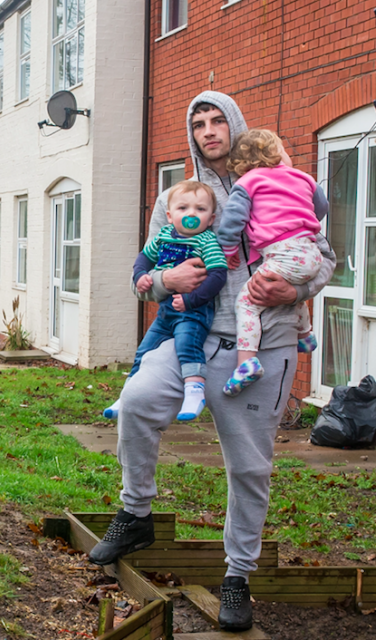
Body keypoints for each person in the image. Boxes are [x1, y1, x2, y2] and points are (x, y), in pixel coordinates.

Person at [87, 92, 335, 633]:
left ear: (235, 125)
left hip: (261, 345)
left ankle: (237, 577)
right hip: (188, 336)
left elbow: (325, 256)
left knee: (248, 467)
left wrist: (293, 289)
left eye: (217, 119)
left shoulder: (276, 179)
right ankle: (136, 514)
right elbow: (144, 273)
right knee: (137, 401)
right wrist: (159, 282)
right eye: (197, 122)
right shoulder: (179, 194)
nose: (207, 129)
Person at [103, 181, 227, 421]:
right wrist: (142, 277)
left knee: (187, 345)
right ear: (170, 216)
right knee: (144, 350)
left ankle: (194, 391)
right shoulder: (162, 236)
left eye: (200, 210)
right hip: (166, 311)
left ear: (211, 219)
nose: (191, 214)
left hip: (194, 310)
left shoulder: (207, 241)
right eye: (183, 208)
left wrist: (191, 301)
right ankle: (126, 394)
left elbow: (218, 275)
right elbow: (143, 259)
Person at [217, 129, 326, 397]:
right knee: (289, 292)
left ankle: (246, 364)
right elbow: (320, 207)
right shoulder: (304, 178)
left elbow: (232, 222)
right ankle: (305, 335)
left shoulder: (248, 182)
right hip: (311, 251)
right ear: (273, 152)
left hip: (282, 252)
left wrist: (229, 250)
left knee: (247, 303)